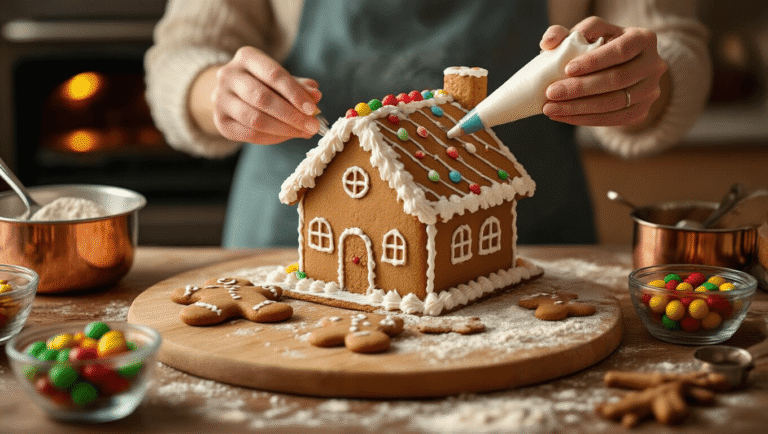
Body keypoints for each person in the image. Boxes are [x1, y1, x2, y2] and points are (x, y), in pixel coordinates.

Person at [145, 0, 711, 247]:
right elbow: (183, 52)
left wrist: (643, 82)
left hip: (534, 240)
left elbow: (671, 44)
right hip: (284, 239)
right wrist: (214, 91)